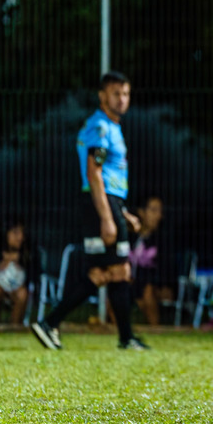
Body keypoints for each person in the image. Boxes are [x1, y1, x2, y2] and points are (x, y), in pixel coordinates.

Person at [31, 71, 149, 351]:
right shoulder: (101, 127)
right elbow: (94, 173)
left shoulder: (112, 127)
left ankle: (54, 323)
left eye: (125, 94)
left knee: (106, 272)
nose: (122, 99)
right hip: (100, 205)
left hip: (109, 203)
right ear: (102, 96)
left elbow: (108, 177)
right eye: (116, 93)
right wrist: (108, 218)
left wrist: (122, 212)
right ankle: (122, 337)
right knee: (117, 269)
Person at [126, 194, 175, 326]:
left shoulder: (162, 240)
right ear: (141, 212)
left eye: (160, 211)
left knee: (147, 291)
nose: (158, 215)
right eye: (153, 210)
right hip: (130, 283)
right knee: (117, 291)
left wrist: (166, 287)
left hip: (152, 285)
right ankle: (120, 331)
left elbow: (166, 269)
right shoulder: (129, 237)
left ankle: (155, 329)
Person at [0, 218, 33, 325]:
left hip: (17, 288)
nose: (20, 237)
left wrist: (21, 261)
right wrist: (1, 262)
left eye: (22, 233)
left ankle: (14, 328)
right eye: (15, 233)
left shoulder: (27, 251)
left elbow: (35, 274)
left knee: (23, 294)